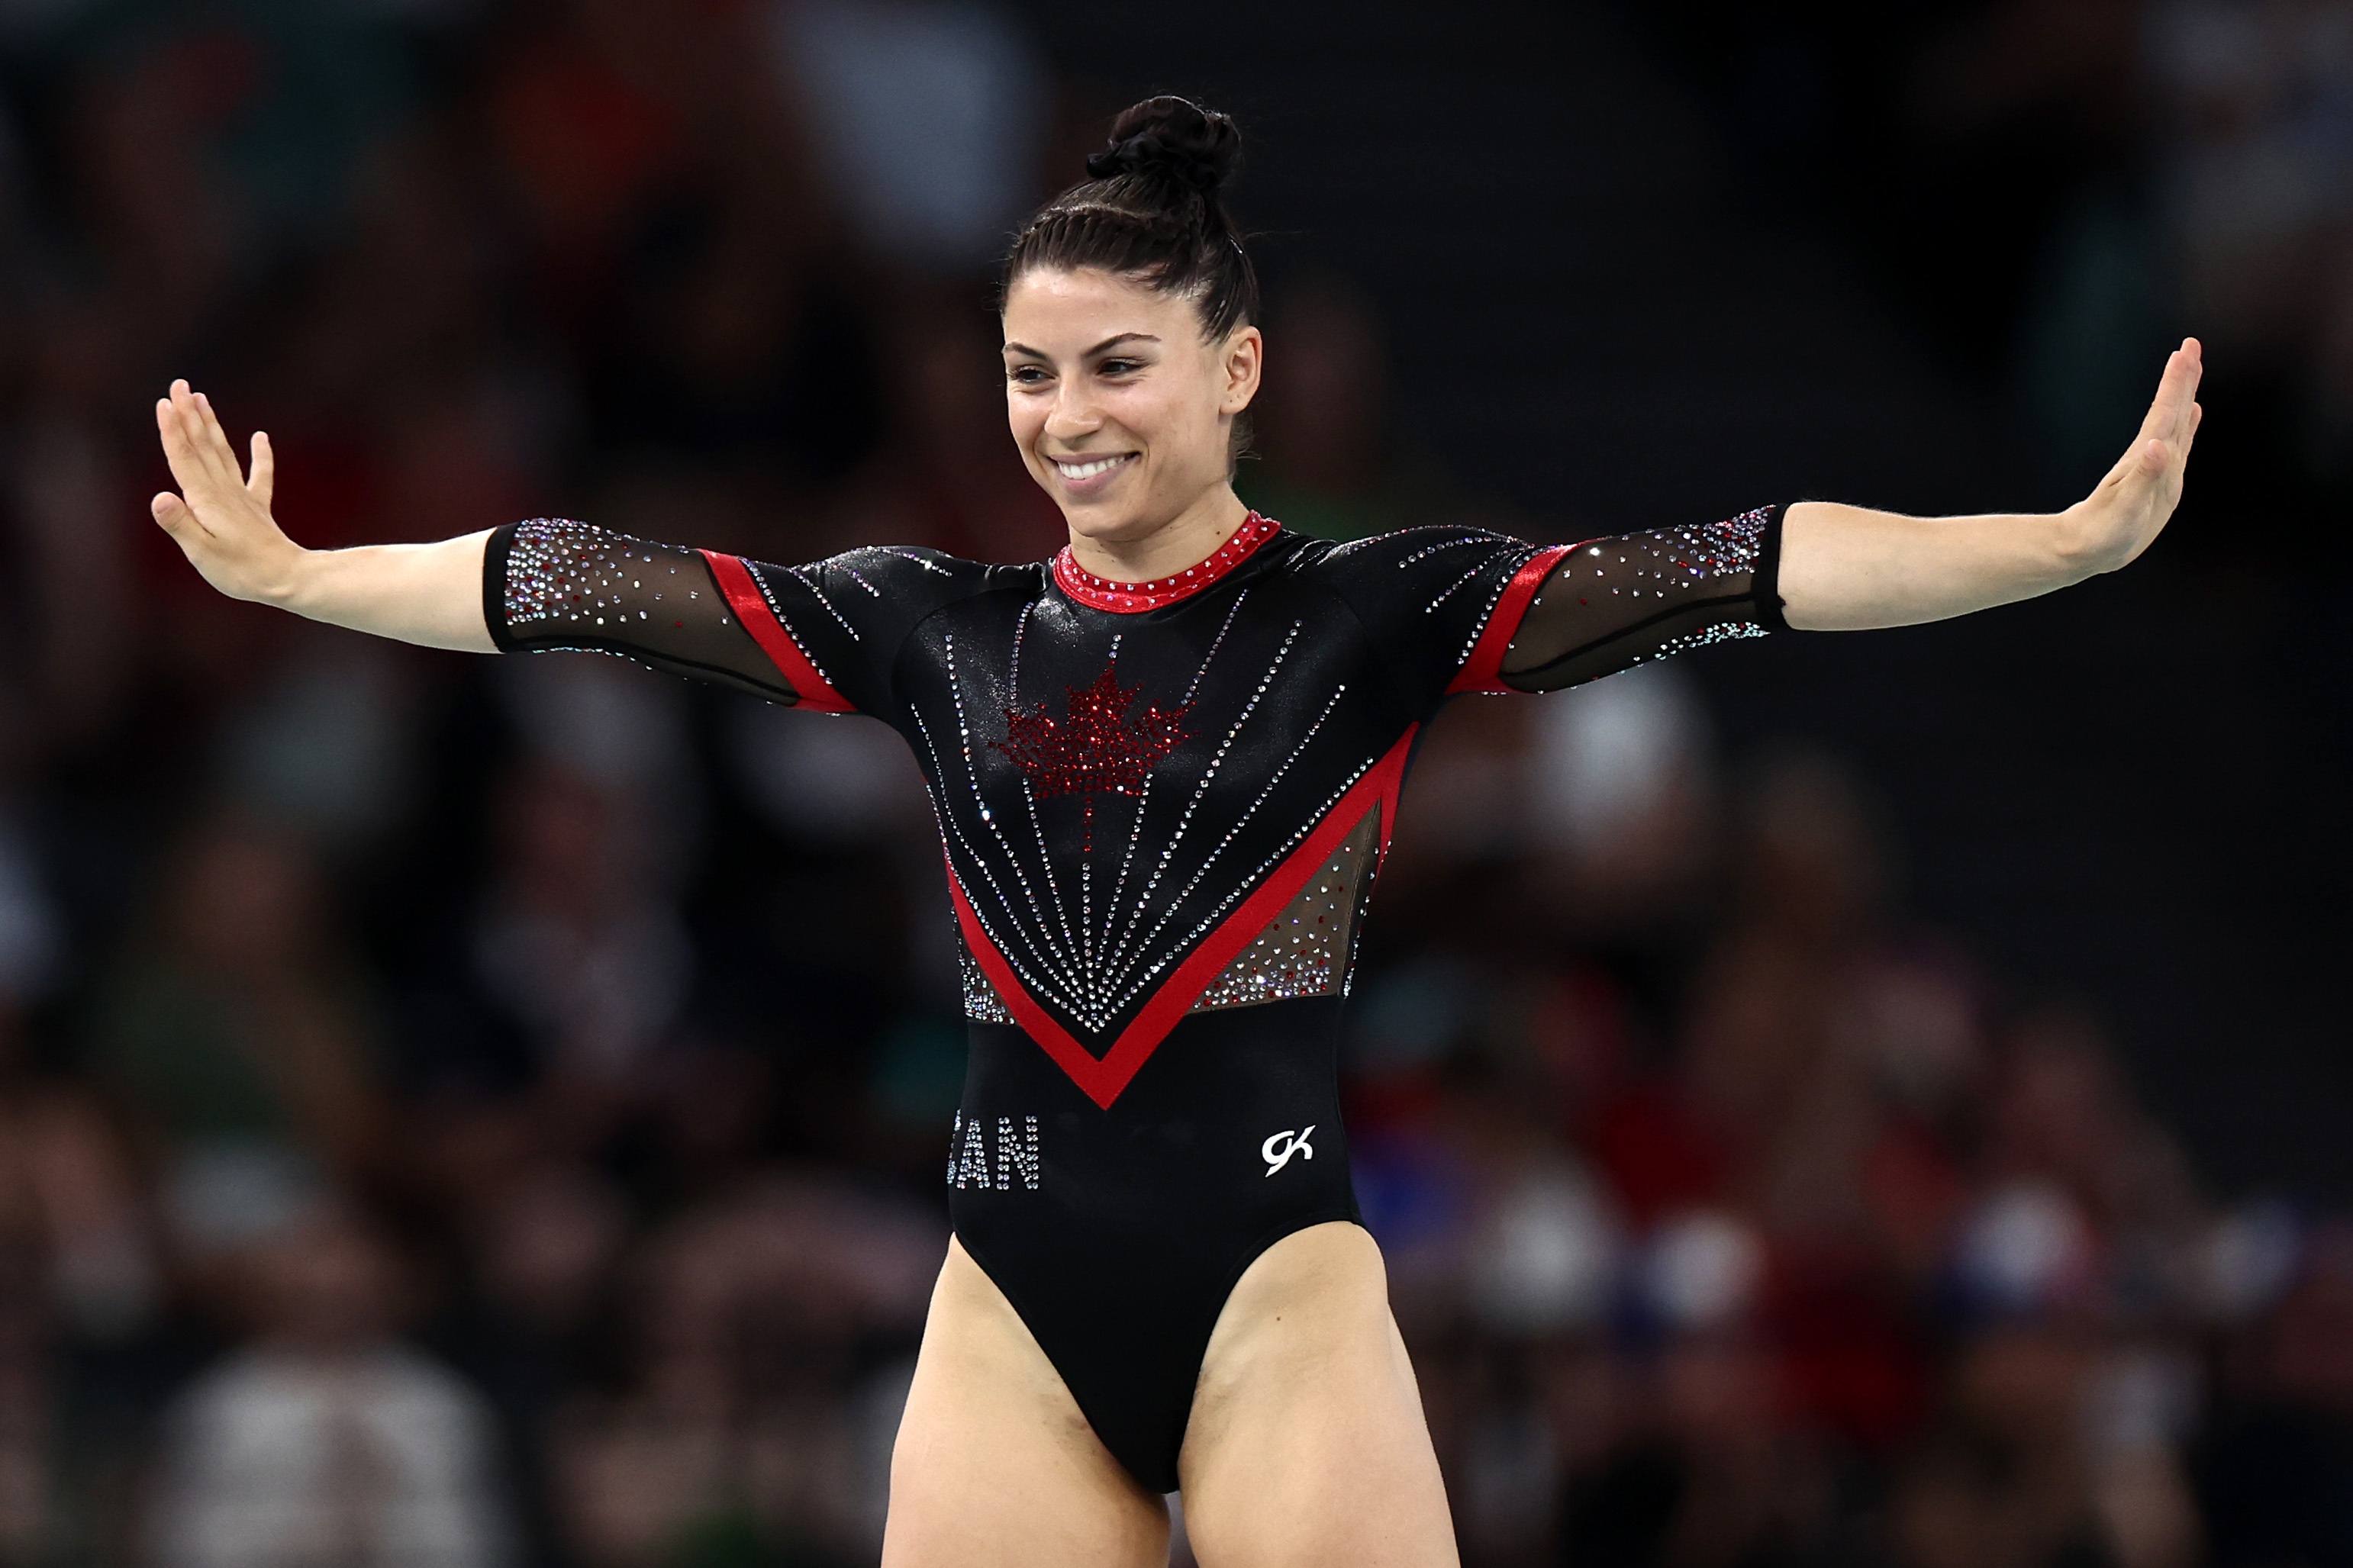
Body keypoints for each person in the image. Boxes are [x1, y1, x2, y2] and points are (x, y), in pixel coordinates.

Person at [150, 95, 2201, 1568]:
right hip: (1008, 1309)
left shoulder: (1366, 611)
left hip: (1270, 1297)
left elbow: (1739, 566)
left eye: (1116, 366)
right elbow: (592, 580)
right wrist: (310, 580)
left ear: (1230, 371)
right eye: (1032, 372)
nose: (1067, 417)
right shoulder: (925, 623)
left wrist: (2054, 539)